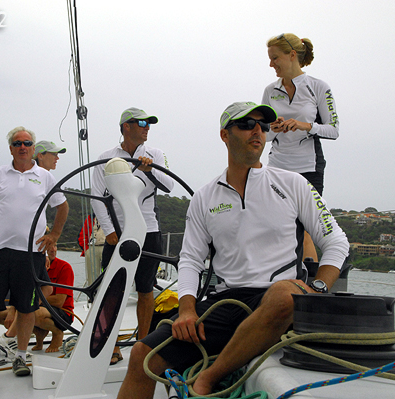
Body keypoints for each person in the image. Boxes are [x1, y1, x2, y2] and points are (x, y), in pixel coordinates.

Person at [117, 102, 349, 398]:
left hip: (276, 301)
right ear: (225, 135)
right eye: (247, 125)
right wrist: (187, 309)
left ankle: (208, 379)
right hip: (224, 304)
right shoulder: (204, 197)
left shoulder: (294, 184)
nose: (258, 131)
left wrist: (316, 289)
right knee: (142, 355)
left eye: (263, 127)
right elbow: (189, 259)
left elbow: (336, 242)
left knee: (285, 294)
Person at [0, 126, 69, 377]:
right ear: (10, 148)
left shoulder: (45, 176)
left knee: (27, 308)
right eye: (17, 143)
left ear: (33, 148)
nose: (22, 147)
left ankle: (20, 356)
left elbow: (62, 207)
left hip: (30, 253)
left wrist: (54, 236)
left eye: (27, 143)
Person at [91, 107, 174, 364]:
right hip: (118, 234)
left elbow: (169, 185)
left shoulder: (156, 155)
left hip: (148, 231)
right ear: (126, 126)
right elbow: (96, 197)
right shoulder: (106, 158)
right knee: (110, 291)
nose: (146, 127)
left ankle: (144, 345)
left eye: (149, 123)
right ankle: (110, 345)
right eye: (141, 123)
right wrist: (110, 231)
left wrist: (150, 170)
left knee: (146, 289)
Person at [262, 33, 340, 262]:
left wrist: (304, 126)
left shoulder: (318, 87)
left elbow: (334, 130)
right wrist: (274, 127)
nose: (271, 64)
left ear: (292, 55)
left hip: (308, 167)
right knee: (277, 226)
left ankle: (310, 284)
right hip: (277, 167)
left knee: (305, 229)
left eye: (275, 58)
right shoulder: (270, 91)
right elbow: (264, 136)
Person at [32, 244, 74, 353]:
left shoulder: (64, 267)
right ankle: (39, 334)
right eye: (49, 246)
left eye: (55, 245)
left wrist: (32, 300)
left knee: (29, 311)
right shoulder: (33, 268)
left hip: (63, 313)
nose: (53, 249)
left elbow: (59, 301)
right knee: (2, 314)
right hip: (42, 307)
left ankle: (57, 332)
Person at [78, 214, 105, 285]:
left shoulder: (112, 216)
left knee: (107, 273)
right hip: (91, 248)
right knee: (92, 276)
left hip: (106, 247)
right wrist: (86, 249)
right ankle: (94, 293)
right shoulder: (90, 218)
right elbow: (82, 234)